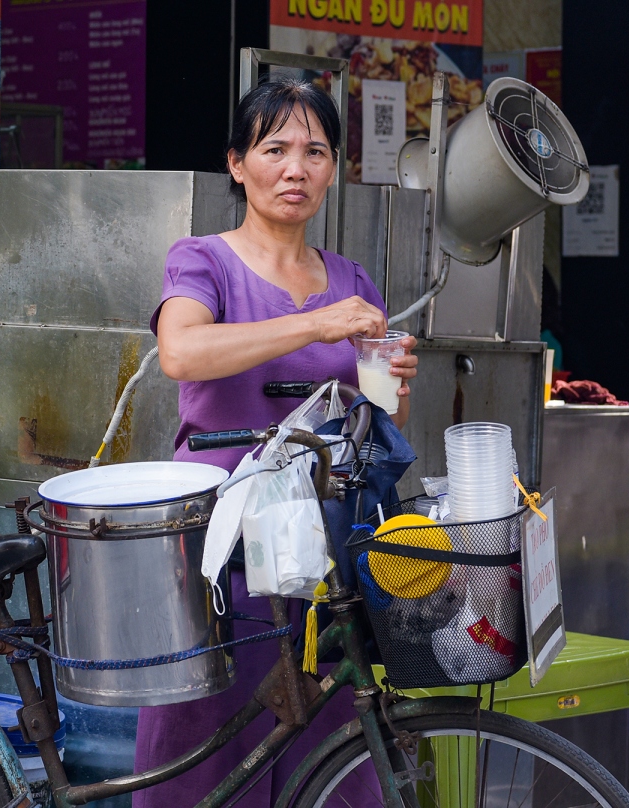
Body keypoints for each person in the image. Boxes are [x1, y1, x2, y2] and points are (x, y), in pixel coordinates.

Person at [135, 76, 419, 807]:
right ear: (237, 163)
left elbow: (374, 415)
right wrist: (314, 326)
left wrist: (392, 386)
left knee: (330, 734)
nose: (296, 168)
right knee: (210, 745)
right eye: (276, 148)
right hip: (220, 550)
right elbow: (183, 354)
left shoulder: (351, 280)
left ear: (332, 170)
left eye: (315, 152)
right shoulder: (203, 260)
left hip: (321, 545)